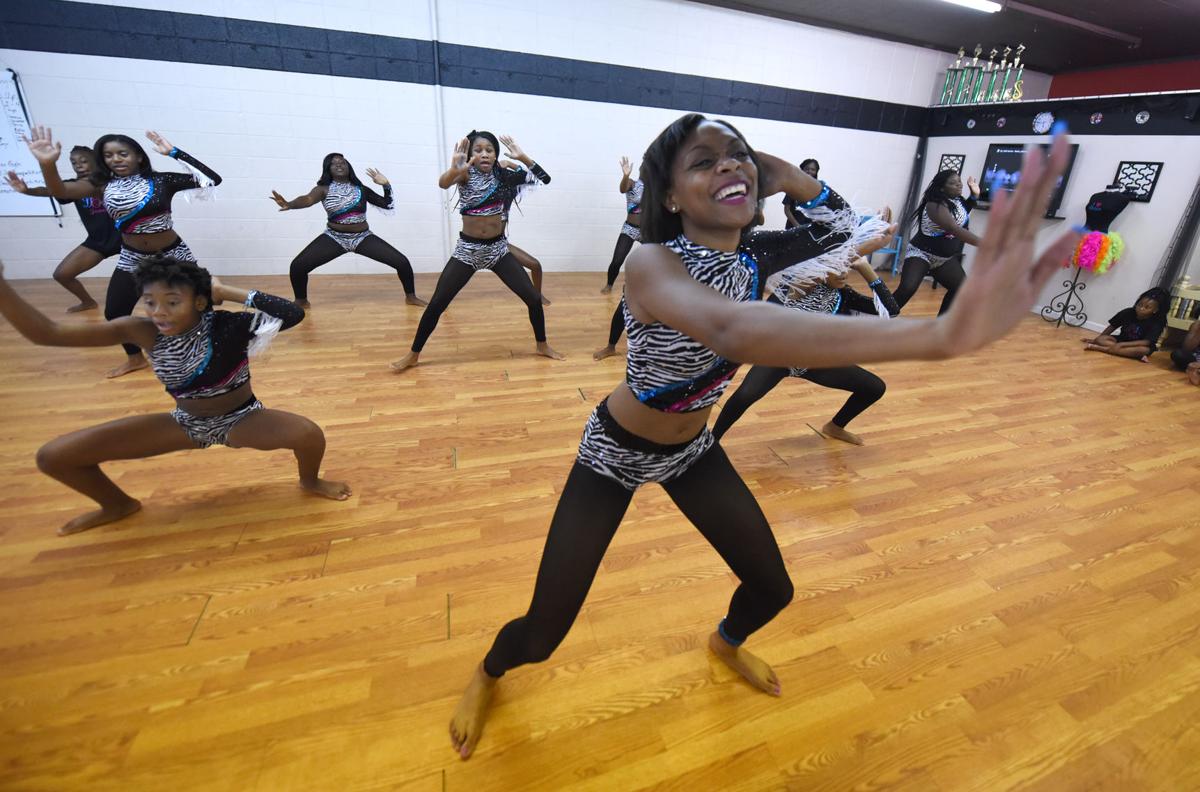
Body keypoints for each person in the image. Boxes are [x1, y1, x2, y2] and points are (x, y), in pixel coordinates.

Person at [446, 113, 1080, 760]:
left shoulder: (763, 254)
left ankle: (725, 641)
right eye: (703, 162)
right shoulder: (652, 262)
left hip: (692, 450)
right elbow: (732, 330)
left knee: (773, 589)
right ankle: (487, 673)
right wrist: (934, 338)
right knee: (543, 636)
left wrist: (773, 169)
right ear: (668, 196)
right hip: (615, 452)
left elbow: (855, 230)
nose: (727, 166)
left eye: (736, 157)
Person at [0, 256, 351, 536]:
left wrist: (225, 289)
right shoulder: (138, 329)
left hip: (243, 418)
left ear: (199, 301)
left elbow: (291, 314)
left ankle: (309, 480)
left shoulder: (228, 325)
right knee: (53, 457)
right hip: (185, 423)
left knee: (308, 434)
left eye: (171, 302)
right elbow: (47, 334)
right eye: (150, 302)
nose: (159, 311)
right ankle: (117, 505)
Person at [26, 126, 222, 378]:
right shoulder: (100, 185)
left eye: (123, 153)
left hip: (174, 254)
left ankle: (207, 350)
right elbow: (59, 192)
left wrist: (173, 152)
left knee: (201, 303)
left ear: (138, 156)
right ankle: (135, 359)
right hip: (134, 257)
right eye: (109, 155)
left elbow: (212, 179)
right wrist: (47, 164)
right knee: (115, 312)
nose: (116, 159)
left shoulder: (161, 180)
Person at [391, 131, 562, 371]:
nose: (484, 154)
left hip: (498, 251)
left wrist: (523, 157)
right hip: (467, 252)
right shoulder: (464, 174)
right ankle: (413, 354)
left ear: (496, 155)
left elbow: (544, 179)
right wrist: (454, 168)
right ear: (470, 154)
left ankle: (542, 345)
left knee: (533, 299)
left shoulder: (504, 176)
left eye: (489, 150)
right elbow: (443, 183)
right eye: (478, 150)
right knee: (437, 303)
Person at [712, 256, 900, 446]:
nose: (845, 274)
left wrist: (866, 269)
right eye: (838, 268)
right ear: (821, 269)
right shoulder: (793, 287)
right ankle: (711, 442)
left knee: (874, 388)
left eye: (848, 268)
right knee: (745, 395)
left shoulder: (843, 293)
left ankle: (835, 426)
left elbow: (891, 310)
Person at [270, 153, 425, 309]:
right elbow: (307, 199)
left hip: (362, 237)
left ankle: (411, 297)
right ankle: (301, 301)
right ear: (327, 169)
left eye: (343, 162)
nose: (339, 165)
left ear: (348, 167)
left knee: (402, 262)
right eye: (334, 163)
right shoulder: (323, 189)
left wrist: (386, 184)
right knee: (298, 266)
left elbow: (387, 204)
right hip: (334, 237)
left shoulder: (361, 189)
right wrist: (290, 204)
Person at [5, 146, 120, 312]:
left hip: (127, 240)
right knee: (62, 275)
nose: (78, 165)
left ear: (95, 162)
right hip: (98, 242)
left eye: (84, 161)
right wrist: (28, 191)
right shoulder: (72, 186)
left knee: (158, 271)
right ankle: (88, 302)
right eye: (73, 162)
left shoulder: (112, 182)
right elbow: (49, 190)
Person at [893, 170, 980, 314]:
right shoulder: (934, 205)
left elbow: (962, 213)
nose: (959, 185)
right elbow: (953, 228)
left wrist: (974, 195)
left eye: (959, 181)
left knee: (960, 288)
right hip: (921, 254)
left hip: (944, 259)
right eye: (953, 183)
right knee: (907, 289)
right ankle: (878, 315)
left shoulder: (957, 200)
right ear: (941, 188)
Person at [1083, 287, 1170, 360]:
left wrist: (1122, 345)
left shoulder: (1157, 322)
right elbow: (1112, 326)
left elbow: (1146, 342)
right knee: (1101, 339)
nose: (1141, 308)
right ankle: (1130, 354)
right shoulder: (1128, 312)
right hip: (1121, 340)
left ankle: (1102, 349)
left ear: (1155, 310)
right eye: (1140, 305)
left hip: (1138, 345)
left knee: (1143, 350)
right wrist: (1096, 340)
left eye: (1147, 307)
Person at [601, 156, 643, 294]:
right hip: (630, 228)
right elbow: (622, 188)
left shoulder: (657, 188)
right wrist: (625, 176)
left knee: (657, 259)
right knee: (617, 260)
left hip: (648, 230)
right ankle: (609, 284)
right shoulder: (633, 183)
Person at [782, 158, 820, 230]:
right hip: (793, 228)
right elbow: (787, 209)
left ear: (816, 172)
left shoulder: (818, 189)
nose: (809, 171)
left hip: (811, 229)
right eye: (807, 169)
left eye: (813, 169)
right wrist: (797, 226)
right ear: (802, 170)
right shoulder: (793, 186)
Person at [1170, 318, 1200, 382]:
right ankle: (1195, 371)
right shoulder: (1196, 325)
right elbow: (1186, 348)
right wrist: (1197, 332)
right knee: (1177, 354)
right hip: (1195, 358)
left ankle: (1196, 372)